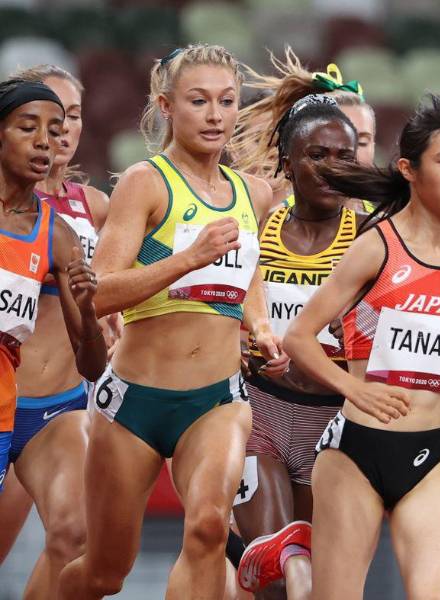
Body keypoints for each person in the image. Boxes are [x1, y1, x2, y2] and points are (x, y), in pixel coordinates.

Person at [57, 44, 285, 600]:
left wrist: (260, 326)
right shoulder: (146, 182)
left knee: (209, 528)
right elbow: (99, 293)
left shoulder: (253, 194)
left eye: (227, 101)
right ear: (166, 106)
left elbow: (248, 275)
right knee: (104, 573)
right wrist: (188, 258)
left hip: (216, 400)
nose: (215, 115)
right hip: (134, 403)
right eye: (198, 101)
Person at [283, 94, 440, 600]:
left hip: (432, 455)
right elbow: (299, 338)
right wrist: (355, 388)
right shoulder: (376, 247)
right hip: (355, 453)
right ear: (409, 170)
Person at [231, 95, 363, 600]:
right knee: (277, 572)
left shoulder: (370, 235)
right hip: (259, 410)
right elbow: (226, 304)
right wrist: (242, 344)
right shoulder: (258, 223)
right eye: (317, 156)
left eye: (345, 157)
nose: (332, 168)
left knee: (313, 583)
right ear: (288, 163)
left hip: (331, 423)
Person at [0, 65, 111, 596]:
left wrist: (91, 311)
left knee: (76, 533)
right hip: (5, 396)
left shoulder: (72, 224)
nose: (51, 137)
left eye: (64, 121)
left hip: (54, 407)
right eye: (32, 126)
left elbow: (94, 356)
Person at [228, 48, 376, 214]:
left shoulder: (383, 219)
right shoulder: (221, 212)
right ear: (234, 147)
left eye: (282, 141)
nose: (274, 152)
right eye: (259, 140)